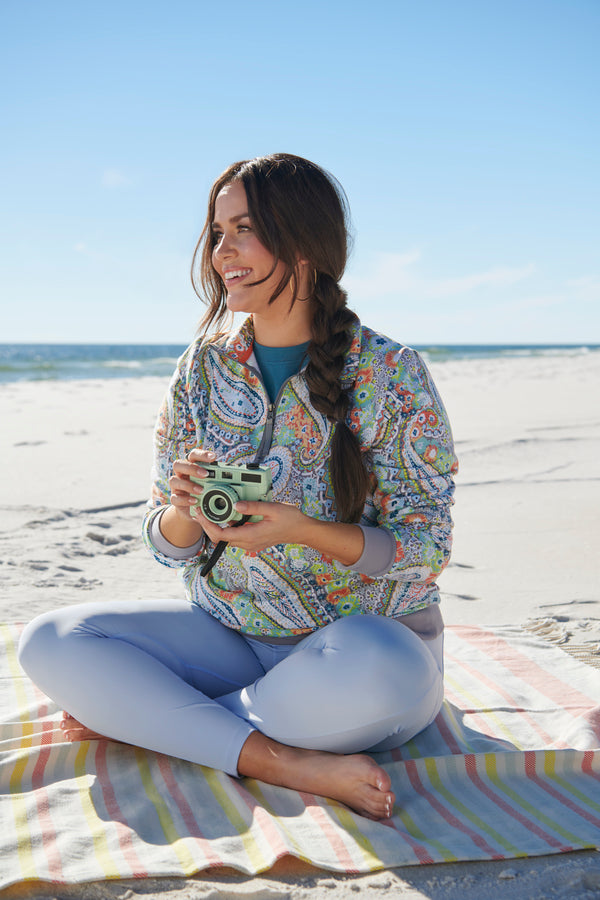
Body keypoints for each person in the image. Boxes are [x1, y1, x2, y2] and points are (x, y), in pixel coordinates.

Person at [18, 154, 457, 821]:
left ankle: (158, 724)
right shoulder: (202, 367)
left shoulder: (390, 371)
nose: (222, 251)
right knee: (52, 640)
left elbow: (428, 545)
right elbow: (165, 542)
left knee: (380, 662)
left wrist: (303, 530)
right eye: (217, 232)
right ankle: (280, 758)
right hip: (232, 641)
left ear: (304, 244)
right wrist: (183, 511)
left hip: (356, 659)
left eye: (243, 230)